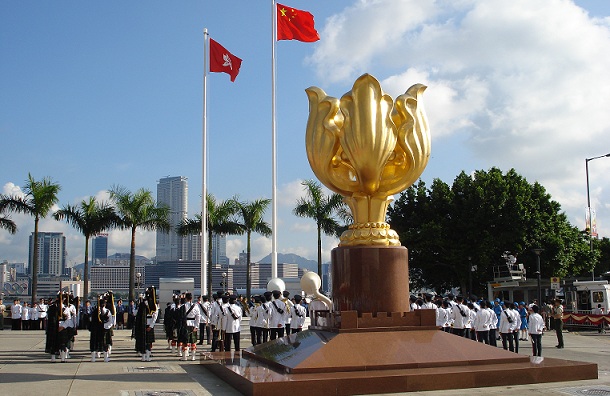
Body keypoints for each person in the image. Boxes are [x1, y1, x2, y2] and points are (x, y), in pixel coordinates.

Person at [134, 286, 159, 362]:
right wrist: (151, 326)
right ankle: (147, 357)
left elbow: (137, 314)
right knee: (148, 342)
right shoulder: (153, 304)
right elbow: (155, 316)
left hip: (142, 324)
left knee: (143, 341)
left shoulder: (142, 303)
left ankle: (143, 357)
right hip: (149, 324)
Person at [178, 292, 201, 361]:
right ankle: (193, 357)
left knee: (185, 341)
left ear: (186, 298)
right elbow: (198, 317)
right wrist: (196, 326)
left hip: (185, 325)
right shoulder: (196, 306)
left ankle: (184, 357)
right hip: (193, 324)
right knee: (193, 341)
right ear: (191, 298)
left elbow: (180, 317)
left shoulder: (183, 306)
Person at [45, 295, 60, 362]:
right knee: (53, 343)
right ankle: (53, 356)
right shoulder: (52, 308)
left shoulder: (63, 307)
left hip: (59, 327)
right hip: (54, 327)